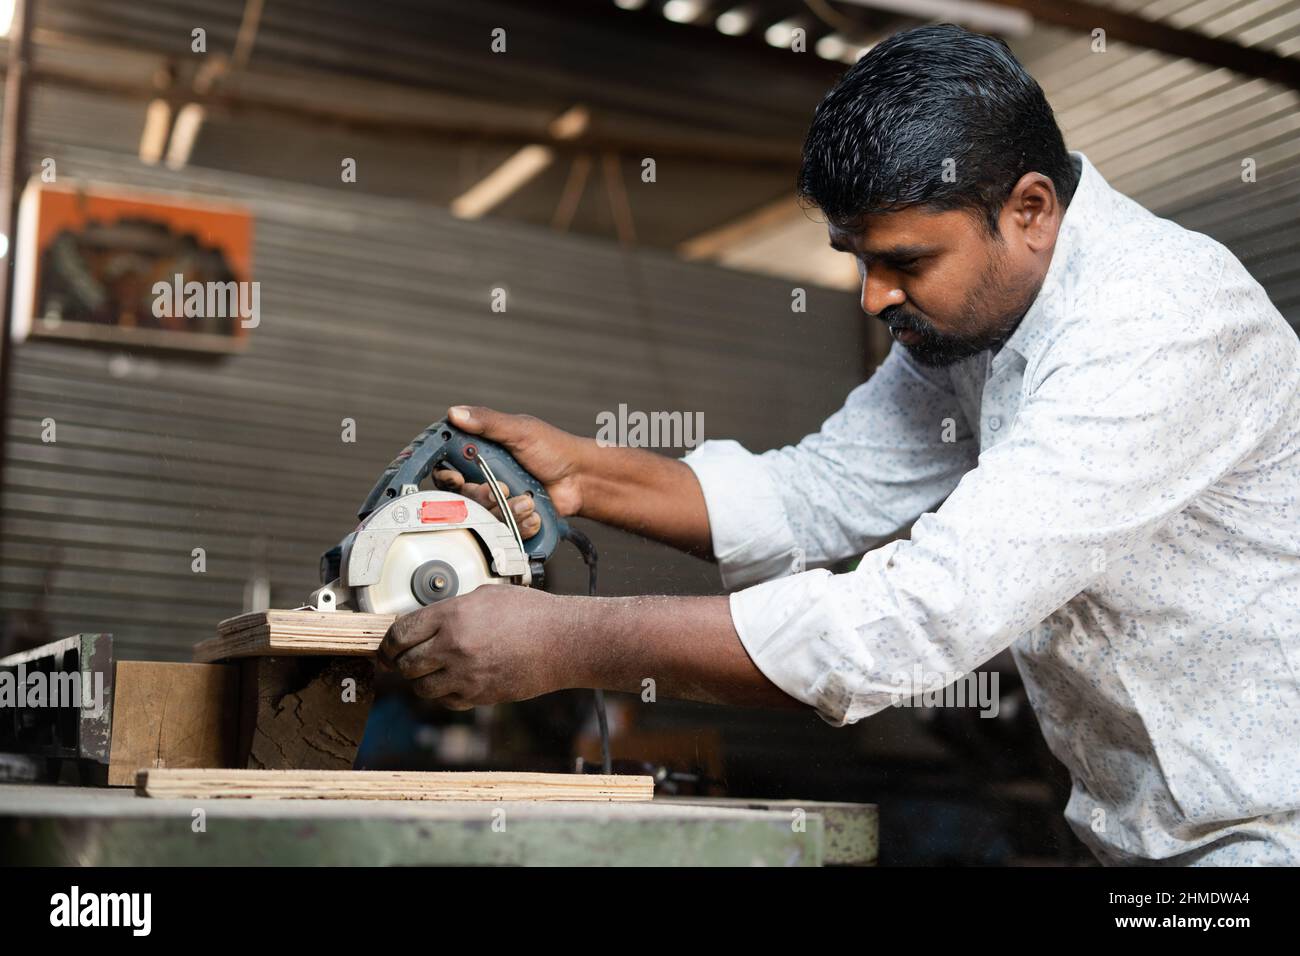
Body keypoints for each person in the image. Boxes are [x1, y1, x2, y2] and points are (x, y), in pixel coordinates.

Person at [378, 25, 1300, 865]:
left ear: (1029, 210)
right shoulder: (976, 322)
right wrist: (584, 473)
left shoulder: (1156, 327)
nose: (872, 296)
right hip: (1148, 842)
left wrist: (568, 642)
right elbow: (818, 493)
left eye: (905, 261)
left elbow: (910, 620)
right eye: (860, 260)